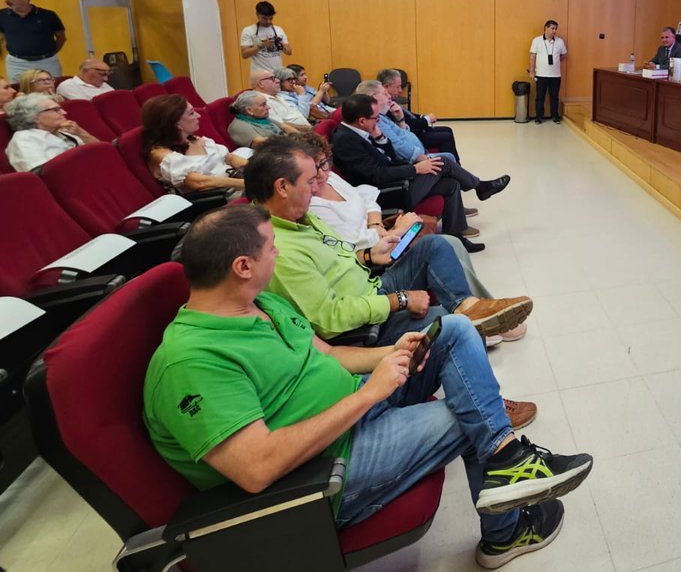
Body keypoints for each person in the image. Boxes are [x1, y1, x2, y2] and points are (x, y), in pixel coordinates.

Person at [143, 204, 591, 568]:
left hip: (354, 407)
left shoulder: (261, 303)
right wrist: (370, 394)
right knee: (469, 415)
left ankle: (507, 459)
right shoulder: (190, 361)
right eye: (271, 249)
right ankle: (507, 531)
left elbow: (330, 355)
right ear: (243, 265)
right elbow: (257, 468)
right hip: (325, 469)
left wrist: (395, 353)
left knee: (452, 328)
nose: (277, 255)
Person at [246, 138, 531, 343]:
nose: (319, 183)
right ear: (283, 187)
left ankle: (470, 306)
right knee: (455, 326)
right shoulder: (277, 248)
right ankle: (476, 323)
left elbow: (341, 253)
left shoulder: (301, 216)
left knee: (439, 244)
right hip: (365, 311)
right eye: (310, 180)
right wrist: (399, 299)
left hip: (370, 279)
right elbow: (329, 319)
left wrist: (371, 255)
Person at [332, 96, 509, 250]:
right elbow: (377, 175)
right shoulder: (346, 141)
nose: (378, 121)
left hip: (396, 181)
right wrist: (416, 169)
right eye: (376, 118)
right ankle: (480, 186)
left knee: (451, 185)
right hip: (389, 193)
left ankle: (456, 236)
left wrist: (380, 138)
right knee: (444, 162)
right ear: (362, 120)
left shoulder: (361, 131)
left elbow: (389, 159)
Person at [357, 80, 480, 220]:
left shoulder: (380, 117)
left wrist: (400, 120)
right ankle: (478, 186)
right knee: (445, 160)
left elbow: (399, 140)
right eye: (385, 94)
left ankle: (457, 227)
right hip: (400, 182)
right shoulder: (365, 130)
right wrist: (417, 165)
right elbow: (393, 156)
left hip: (407, 165)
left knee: (449, 179)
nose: (390, 96)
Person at [142, 94, 247, 194]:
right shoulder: (162, 155)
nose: (199, 115)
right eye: (191, 113)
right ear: (176, 123)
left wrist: (258, 169)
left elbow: (230, 158)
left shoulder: (194, 140)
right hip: (216, 199)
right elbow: (199, 183)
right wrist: (247, 184)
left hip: (236, 187)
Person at [378, 68, 459, 161]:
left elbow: (407, 115)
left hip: (411, 132)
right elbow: (407, 124)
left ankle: (456, 166)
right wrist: (426, 119)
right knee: (446, 137)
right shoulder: (384, 107)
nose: (400, 90)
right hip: (413, 135)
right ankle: (455, 167)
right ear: (386, 87)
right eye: (398, 87)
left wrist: (422, 117)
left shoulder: (391, 101)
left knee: (447, 130)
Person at [4, 93, 96, 172]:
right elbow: (41, 175)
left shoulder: (63, 131)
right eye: (56, 110)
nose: (64, 112)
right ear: (35, 117)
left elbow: (100, 151)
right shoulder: (24, 139)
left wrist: (82, 133)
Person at [0, 0, 66, 80]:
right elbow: (3, 37)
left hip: (47, 61)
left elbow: (61, 37)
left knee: (52, 88)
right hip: (17, 63)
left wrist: (49, 53)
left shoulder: (48, 15)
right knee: (19, 91)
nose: (6, 0)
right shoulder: (2, 16)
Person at [528, 20, 567, 124]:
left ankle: (555, 116)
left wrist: (556, 61)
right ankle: (539, 117)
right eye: (552, 28)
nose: (554, 31)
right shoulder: (536, 40)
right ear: (546, 28)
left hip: (555, 75)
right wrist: (532, 71)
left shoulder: (560, 41)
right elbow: (532, 56)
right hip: (541, 75)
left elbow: (563, 55)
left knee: (554, 97)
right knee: (540, 97)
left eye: (555, 29)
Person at [239, 0, 291, 73]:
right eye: (264, 18)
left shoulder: (278, 30)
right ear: (257, 14)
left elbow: (289, 52)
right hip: (260, 76)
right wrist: (261, 45)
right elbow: (244, 54)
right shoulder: (248, 30)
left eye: (271, 18)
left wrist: (281, 45)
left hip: (278, 75)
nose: (268, 21)